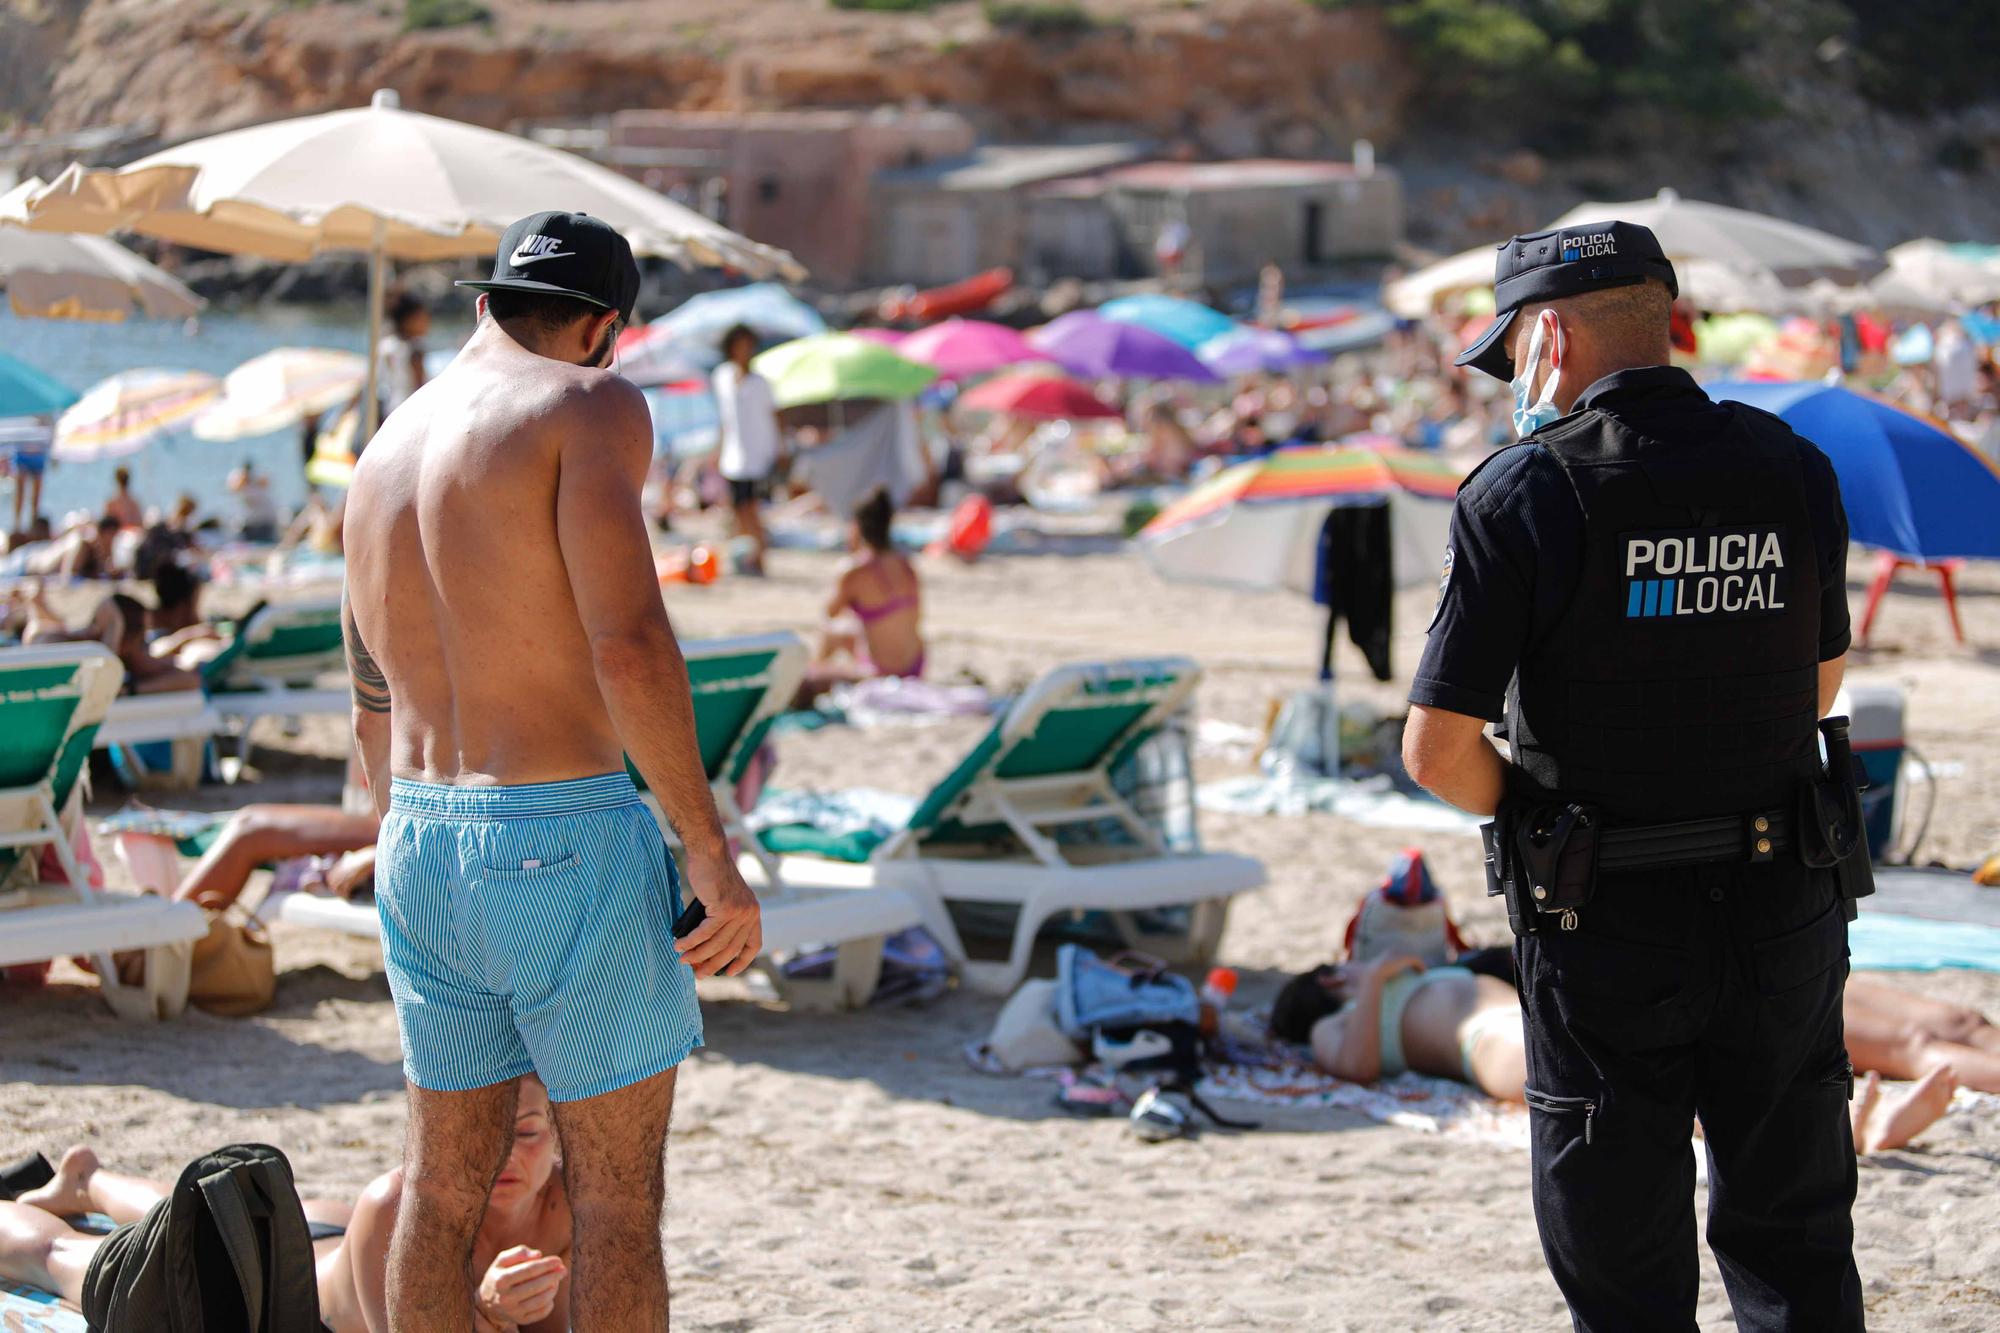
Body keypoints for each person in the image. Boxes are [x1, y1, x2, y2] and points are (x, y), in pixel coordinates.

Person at [1401, 220, 1863, 1331]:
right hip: (1780, 895)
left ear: (1547, 335)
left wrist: (1538, 812)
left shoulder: (1521, 490)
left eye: (1510, 350)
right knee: (1794, 1239)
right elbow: (1818, 682)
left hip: (1604, 914)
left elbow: (1434, 749)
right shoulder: (1789, 464)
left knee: (1621, 1257)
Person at [343, 209, 761, 1330]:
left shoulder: (383, 448)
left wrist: (407, 842)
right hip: (558, 826)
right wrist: (709, 856)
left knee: (439, 1187)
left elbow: (369, 691)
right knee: (618, 1200)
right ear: (605, 331)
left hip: (418, 835)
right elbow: (626, 640)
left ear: (484, 304)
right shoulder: (586, 404)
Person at [0, 1076, 572, 1332]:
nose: (502, 1159)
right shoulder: (401, 1206)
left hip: (327, 1236)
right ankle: (78, 1190)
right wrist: (490, 1312)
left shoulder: (565, 1207)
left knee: (188, 1218)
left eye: (524, 1134)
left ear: (559, 1135)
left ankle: (88, 1180)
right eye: (481, 1135)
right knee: (63, 1257)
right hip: (279, 1290)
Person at [1278, 956, 1970, 1153]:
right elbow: (1357, 1068)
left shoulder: (1413, 972)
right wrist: (1369, 983)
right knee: (1643, 1088)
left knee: (1665, 1072)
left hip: (1525, 1021)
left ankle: (1852, 1132)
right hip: (1488, 1045)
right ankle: (1854, 1135)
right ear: (1325, 982)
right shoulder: (1333, 1022)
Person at [802, 489, 925, 702]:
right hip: (916, 666)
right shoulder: (906, 565)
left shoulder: (854, 570)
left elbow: (829, 613)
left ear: (857, 527)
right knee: (848, 630)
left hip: (881, 672)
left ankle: (816, 665)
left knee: (824, 644)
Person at [712, 321, 781, 574]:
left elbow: (773, 417)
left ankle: (759, 555)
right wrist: (717, 450)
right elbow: (724, 418)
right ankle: (748, 556)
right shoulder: (722, 376)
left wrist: (778, 449)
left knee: (749, 507)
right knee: (737, 508)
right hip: (733, 455)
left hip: (757, 454)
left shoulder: (761, 382)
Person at [376, 291, 432, 420]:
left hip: (389, 408)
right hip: (411, 410)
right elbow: (420, 386)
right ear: (407, 321)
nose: (426, 323)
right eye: (421, 318)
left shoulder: (386, 344)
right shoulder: (415, 351)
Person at [1, 414, 51, 538]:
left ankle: (30, 523)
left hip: (35, 452)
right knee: (21, 491)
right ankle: (18, 524)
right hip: (25, 451)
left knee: (33, 494)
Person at [227, 461, 280, 543]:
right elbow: (233, 487)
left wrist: (254, 480)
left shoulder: (257, 480)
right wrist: (243, 479)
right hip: (247, 525)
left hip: (265, 523)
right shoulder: (239, 480)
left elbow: (266, 481)